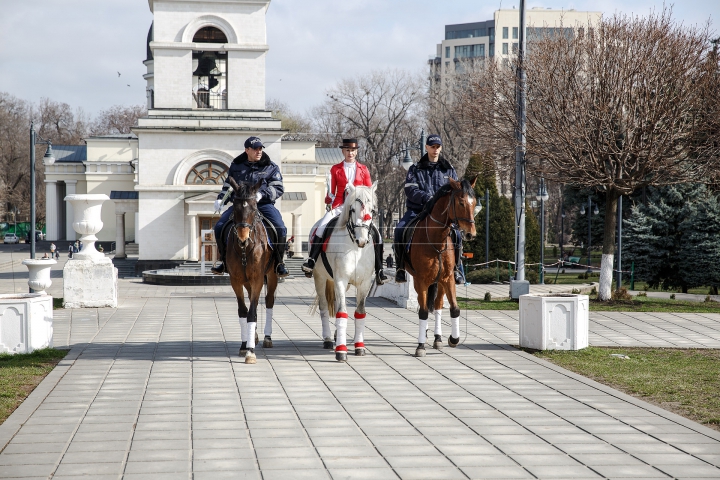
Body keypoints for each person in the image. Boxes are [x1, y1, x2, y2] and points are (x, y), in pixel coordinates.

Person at [301, 139, 387, 285]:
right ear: (343, 151)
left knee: (377, 234)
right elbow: (332, 191)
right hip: (340, 206)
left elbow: (368, 191)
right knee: (321, 227)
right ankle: (311, 260)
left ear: (356, 152)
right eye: (347, 150)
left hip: (358, 208)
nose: (350, 153)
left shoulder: (363, 169)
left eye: (353, 150)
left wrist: (366, 207)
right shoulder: (335, 169)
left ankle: (379, 269)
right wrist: (330, 198)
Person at [212, 136, 289, 277]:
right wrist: (221, 199)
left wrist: (262, 195)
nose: (259, 151)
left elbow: (278, 188)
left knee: (280, 228)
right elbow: (229, 186)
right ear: (247, 150)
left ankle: (279, 263)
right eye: (255, 149)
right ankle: (223, 261)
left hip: (263, 204)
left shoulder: (270, 166)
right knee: (219, 227)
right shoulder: (236, 165)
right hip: (241, 206)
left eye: (260, 148)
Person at [393, 134, 465, 285]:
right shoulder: (415, 169)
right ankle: (400, 268)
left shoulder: (448, 169)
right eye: (432, 147)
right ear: (426, 147)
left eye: (438, 147)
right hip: (418, 211)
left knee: (457, 234)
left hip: (442, 215)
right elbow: (410, 190)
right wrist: (428, 198)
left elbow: (456, 191)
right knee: (399, 229)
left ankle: (457, 269)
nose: (435, 149)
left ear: (441, 148)